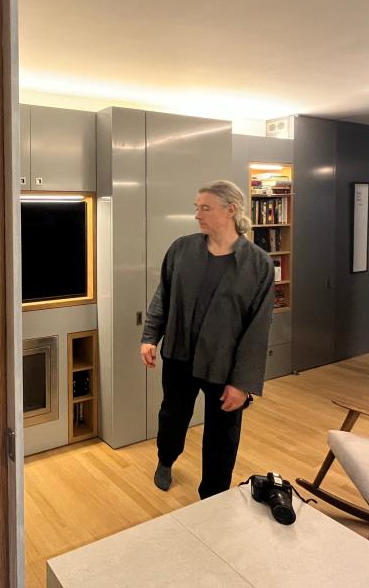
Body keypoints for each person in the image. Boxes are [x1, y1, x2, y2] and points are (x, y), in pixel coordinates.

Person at [140, 180, 274, 500]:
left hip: (224, 366)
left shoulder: (257, 264)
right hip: (180, 355)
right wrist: (150, 336)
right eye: (196, 207)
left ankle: (213, 495)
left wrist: (242, 383)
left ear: (230, 210)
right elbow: (164, 296)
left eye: (205, 208)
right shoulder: (182, 249)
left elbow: (258, 329)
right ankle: (165, 460)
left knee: (222, 434)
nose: (197, 214)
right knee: (172, 416)